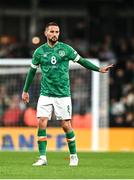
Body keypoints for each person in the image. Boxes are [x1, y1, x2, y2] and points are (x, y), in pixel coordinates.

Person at [22, 22, 113, 166]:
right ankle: (42, 158)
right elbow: (32, 71)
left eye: (57, 32)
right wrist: (25, 90)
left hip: (63, 94)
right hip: (45, 93)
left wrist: (98, 69)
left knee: (65, 125)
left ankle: (73, 156)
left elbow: (82, 61)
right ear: (46, 33)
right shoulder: (39, 52)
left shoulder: (66, 49)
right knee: (41, 122)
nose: (54, 34)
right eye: (52, 31)